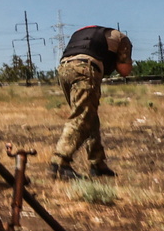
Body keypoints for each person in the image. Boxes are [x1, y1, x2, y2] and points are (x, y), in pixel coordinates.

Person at [50, 25, 133, 180]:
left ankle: (98, 163)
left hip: (64, 69)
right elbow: (124, 70)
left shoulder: (80, 34)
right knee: (82, 118)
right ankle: (59, 163)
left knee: (89, 118)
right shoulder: (122, 39)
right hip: (85, 69)